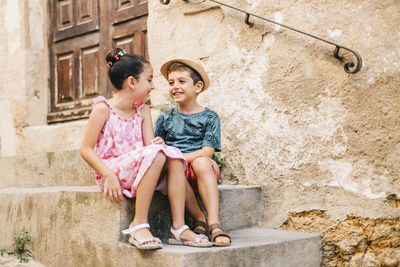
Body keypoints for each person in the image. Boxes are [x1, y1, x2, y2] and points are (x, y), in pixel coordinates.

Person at [80, 49, 211, 250]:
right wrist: (108, 175)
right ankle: (138, 224)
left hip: (141, 167)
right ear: (132, 82)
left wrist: (156, 143)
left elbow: (149, 145)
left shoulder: (143, 110)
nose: (152, 86)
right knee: (157, 154)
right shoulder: (103, 109)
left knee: (173, 154)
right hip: (113, 169)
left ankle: (178, 227)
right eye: (149, 80)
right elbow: (86, 150)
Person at [154, 58, 231, 246]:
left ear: (197, 86)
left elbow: (207, 152)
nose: (175, 86)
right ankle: (199, 219)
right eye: (171, 83)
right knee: (174, 165)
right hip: (176, 172)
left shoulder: (209, 117)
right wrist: (159, 144)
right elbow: (156, 147)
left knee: (200, 161)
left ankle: (214, 224)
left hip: (202, 171)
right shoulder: (165, 118)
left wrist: (178, 156)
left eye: (181, 81)